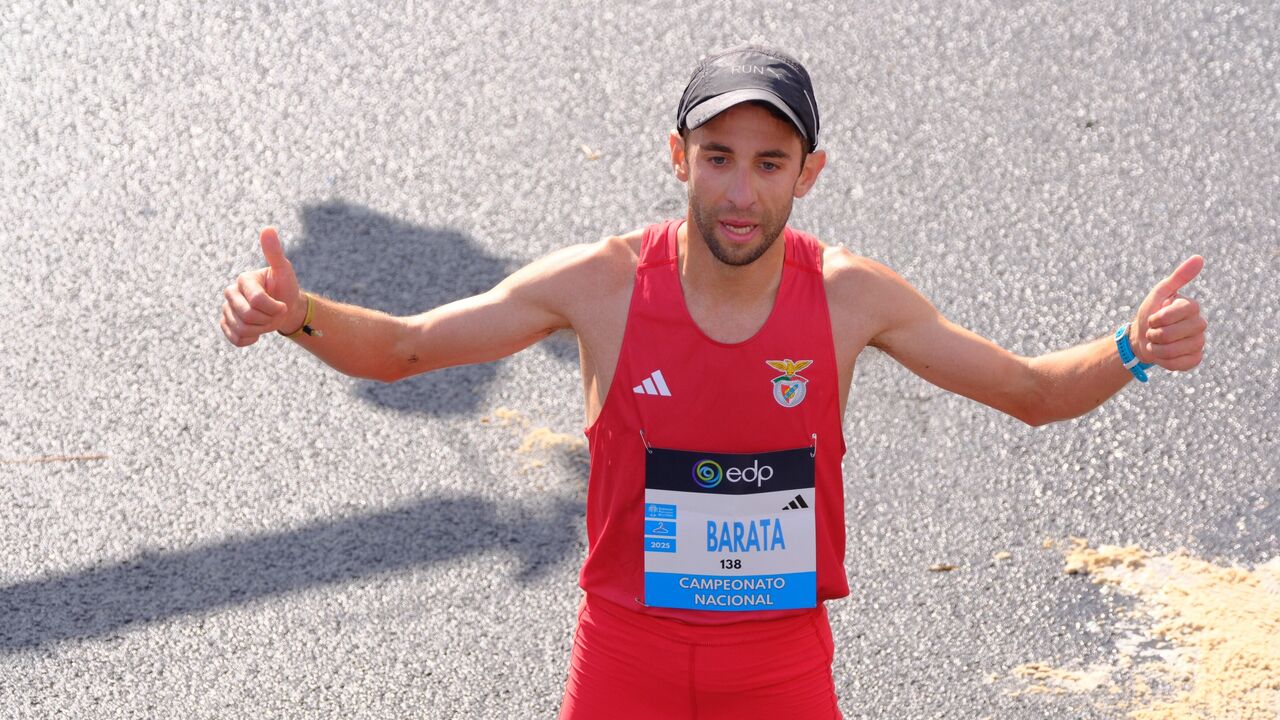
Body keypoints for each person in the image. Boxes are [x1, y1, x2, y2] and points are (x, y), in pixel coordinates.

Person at [219, 44, 1207, 720]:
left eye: (768, 163)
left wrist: (1129, 346)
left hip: (778, 664)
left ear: (806, 173)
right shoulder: (600, 286)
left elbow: (1032, 394)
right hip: (625, 657)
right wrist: (297, 314)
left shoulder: (851, 298)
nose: (740, 192)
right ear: (677, 157)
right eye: (717, 158)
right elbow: (405, 350)